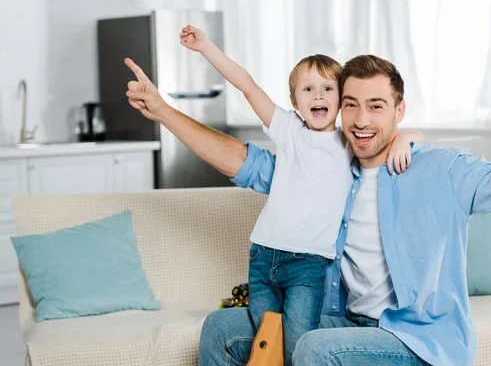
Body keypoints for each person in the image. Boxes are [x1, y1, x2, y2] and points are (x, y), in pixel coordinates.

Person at [124, 41, 491, 365]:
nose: (361, 120)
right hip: (339, 318)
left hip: (412, 339)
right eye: (352, 105)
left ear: (400, 111)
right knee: (220, 330)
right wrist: (164, 111)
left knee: (316, 349)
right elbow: (243, 162)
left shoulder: (437, 168)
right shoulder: (332, 168)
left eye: (376, 106)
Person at [175, 26, 425, 364]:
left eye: (327, 89)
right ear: (295, 102)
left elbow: (399, 138)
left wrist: (406, 137)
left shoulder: (348, 142)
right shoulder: (288, 129)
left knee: (298, 346)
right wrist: (206, 48)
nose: (318, 96)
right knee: (267, 345)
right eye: (308, 89)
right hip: (264, 257)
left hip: (308, 265)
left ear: (341, 101)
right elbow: (247, 85)